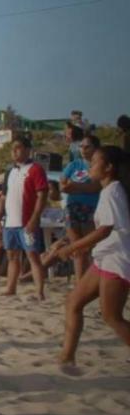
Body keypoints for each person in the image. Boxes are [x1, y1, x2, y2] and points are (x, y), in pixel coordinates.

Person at [46, 145, 130, 366]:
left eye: (95, 162)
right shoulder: (107, 189)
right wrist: (79, 246)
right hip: (105, 257)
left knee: (112, 317)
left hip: (116, 260)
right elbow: (102, 230)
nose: (90, 166)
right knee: (73, 302)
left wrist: (71, 248)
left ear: (109, 167)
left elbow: (105, 230)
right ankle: (67, 357)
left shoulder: (114, 190)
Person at [0, 136, 49, 300]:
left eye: (18, 148)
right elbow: (3, 197)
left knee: (33, 256)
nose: (14, 151)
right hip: (10, 222)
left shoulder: (35, 169)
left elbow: (42, 195)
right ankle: (11, 287)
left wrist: (34, 219)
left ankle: (39, 291)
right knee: (12, 255)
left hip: (26, 221)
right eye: (13, 148)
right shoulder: (10, 171)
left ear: (27, 150)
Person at [60, 134, 101, 279]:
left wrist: (74, 186)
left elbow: (95, 188)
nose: (83, 149)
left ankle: (91, 281)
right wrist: (80, 187)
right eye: (81, 146)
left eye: (87, 146)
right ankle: (79, 281)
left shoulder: (97, 166)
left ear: (95, 148)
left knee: (90, 247)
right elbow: (63, 186)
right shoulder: (74, 164)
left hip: (90, 207)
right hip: (72, 207)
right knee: (76, 247)